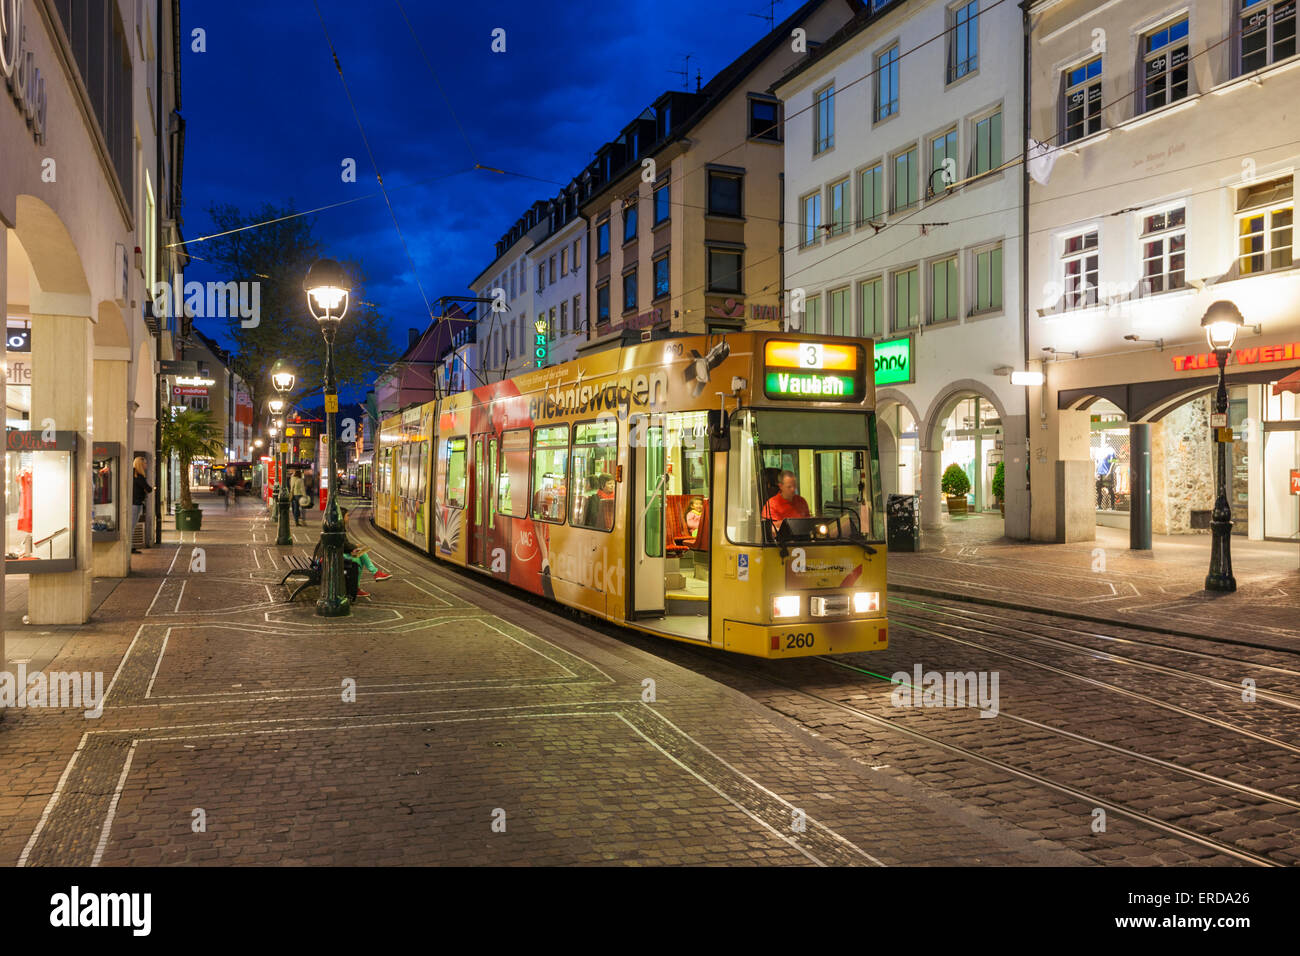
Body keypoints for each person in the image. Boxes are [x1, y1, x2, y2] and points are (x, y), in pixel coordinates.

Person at [341, 507, 392, 593]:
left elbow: (344, 544)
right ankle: (375, 573)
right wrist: (354, 547)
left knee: (360, 556)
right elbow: (344, 545)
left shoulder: (340, 528)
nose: (349, 517)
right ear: (342, 517)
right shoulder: (339, 529)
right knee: (359, 559)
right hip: (339, 556)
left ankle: (358, 586)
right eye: (347, 516)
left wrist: (353, 547)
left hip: (340, 553)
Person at [131, 457, 152, 554]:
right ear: (141, 464)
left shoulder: (133, 475)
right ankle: (130, 547)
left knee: (132, 526)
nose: (146, 465)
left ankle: (130, 546)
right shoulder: (139, 476)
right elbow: (148, 489)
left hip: (134, 503)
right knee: (132, 526)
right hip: (136, 504)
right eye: (145, 463)